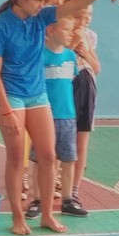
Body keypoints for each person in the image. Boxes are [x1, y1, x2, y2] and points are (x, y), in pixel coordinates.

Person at [0, 0, 119, 235]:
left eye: (45, 1)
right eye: (38, 0)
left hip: (37, 94)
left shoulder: (41, 17)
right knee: (16, 158)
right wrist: (6, 110)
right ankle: (18, 216)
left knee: (49, 156)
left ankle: (47, 215)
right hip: (11, 96)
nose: (43, 5)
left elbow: (76, 4)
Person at [24, 16, 88, 219]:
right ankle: (37, 200)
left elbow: (70, 84)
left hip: (67, 116)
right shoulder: (39, 57)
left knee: (68, 159)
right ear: (51, 30)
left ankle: (68, 200)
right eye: (67, 29)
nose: (71, 33)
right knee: (39, 160)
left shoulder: (70, 56)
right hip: (44, 117)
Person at [22, 0, 67, 201]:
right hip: (31, 91)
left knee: (52, 144)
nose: (59, 2)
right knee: (30, 144)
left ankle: (52, 179)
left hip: (51, 95)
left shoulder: (59, 24)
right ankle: (27, 181)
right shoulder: (34, 23)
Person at [68, 0, 101, 204]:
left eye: (88, 16)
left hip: (86, 87)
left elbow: (97, 68)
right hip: (64, 87)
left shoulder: (90, 36)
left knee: (81, 142)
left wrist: (85, 51)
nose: (85, 20)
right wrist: (73, 45)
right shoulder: (59, 32)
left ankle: (74, 190)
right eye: (79, 16)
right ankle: (51, 184)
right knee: (60, 139)